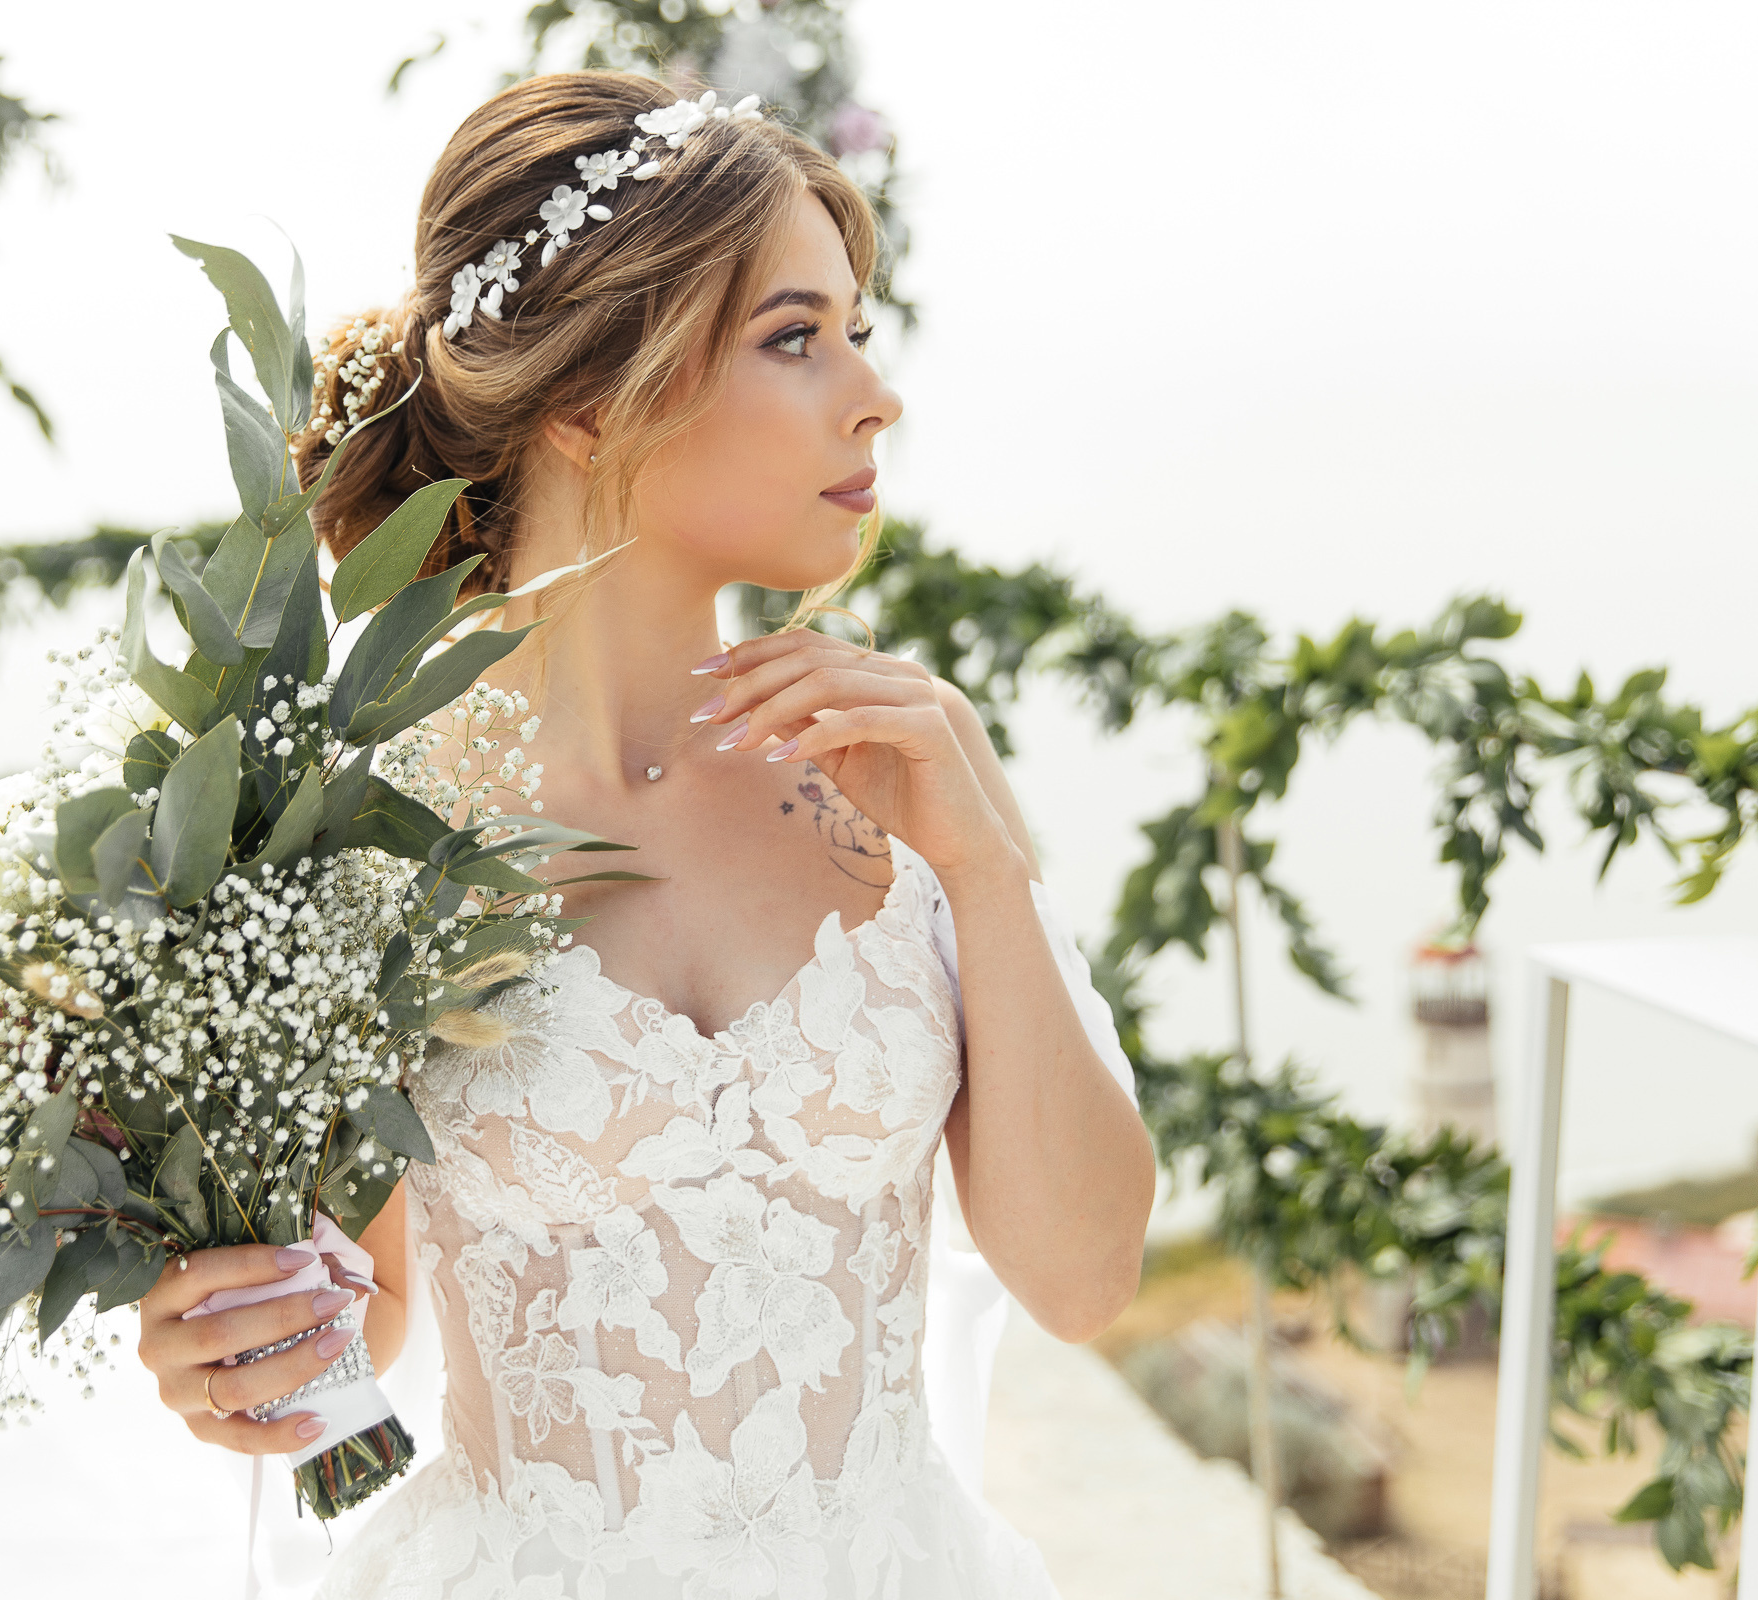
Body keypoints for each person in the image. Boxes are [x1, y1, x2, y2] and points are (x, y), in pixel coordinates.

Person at [138, 70, 1156, 1597]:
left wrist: (985, 869)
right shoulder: (368, 832)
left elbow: (1081, 1280)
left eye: (856, 334)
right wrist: (238, 1347)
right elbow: (365, 1316)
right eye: (793, 339)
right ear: (589, 395)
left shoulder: (900, 766)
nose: (874, 396)